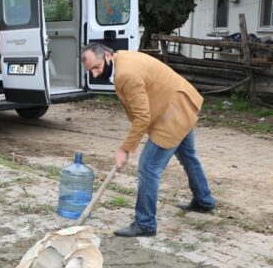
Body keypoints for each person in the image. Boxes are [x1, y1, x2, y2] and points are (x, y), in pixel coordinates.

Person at [80, 43, 215, 237]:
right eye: (90, 71)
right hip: (181, 104)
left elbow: (142, 117)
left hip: (172, 114)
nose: (94, 74)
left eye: (96, 67)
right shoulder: (122, 58)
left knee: (148, 167)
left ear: (108, 56)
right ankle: (204, 200)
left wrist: (124, 149)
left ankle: (145, 223)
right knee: (188, 156)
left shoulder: (125, 75)